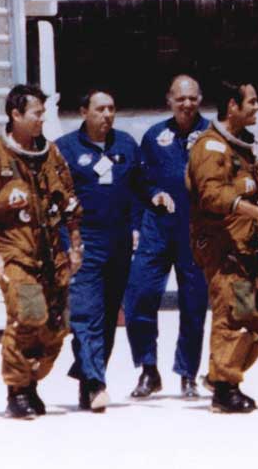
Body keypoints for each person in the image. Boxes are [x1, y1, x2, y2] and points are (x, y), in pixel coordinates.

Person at [0, 84, 83, 420]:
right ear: (15, 114)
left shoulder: (51, 155)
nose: (41, 120)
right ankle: (16, 390)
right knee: (28, 314)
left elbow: (70, 201)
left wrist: (75, 246)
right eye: (36, 113)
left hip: (52, 253)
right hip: (15, 251)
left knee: (56, 326)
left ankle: (31, 382)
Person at [56, 89, 174, 412]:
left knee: (108, 317)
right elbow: (55, 199)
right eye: (100, 109)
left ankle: (89, 380)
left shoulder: (126, 145)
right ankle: (96, 383)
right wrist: (67, 244)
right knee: (86, 313)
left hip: (119, 241)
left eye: (111, 109)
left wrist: (156, 196)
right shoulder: (64, 149)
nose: (107, 115)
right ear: (84, 112)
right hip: (85, 241)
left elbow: (141, 184)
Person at [186, 80, 258, 413]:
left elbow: (254, 192)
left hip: (249, 247)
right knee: (233, 313)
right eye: (251, 102)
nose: (257, 108)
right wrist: (257, 213)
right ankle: (225, 386)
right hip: (224, 249)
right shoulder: (210, 148)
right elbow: (213, 195)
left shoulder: (242, 148)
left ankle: (220, 374)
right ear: (232, 106)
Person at [124, 75, 210, 400]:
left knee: (193, 305)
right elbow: (139, 183)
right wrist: (155, 194)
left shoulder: (211, 136)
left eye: (192, 98)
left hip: (196, 233)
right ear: (169, 100)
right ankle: (148, 369)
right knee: (139, 296)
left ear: (200, 98)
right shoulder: (154, 136)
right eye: (180, 98)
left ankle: (188, 373)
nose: (186, 104)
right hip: (157, 230)